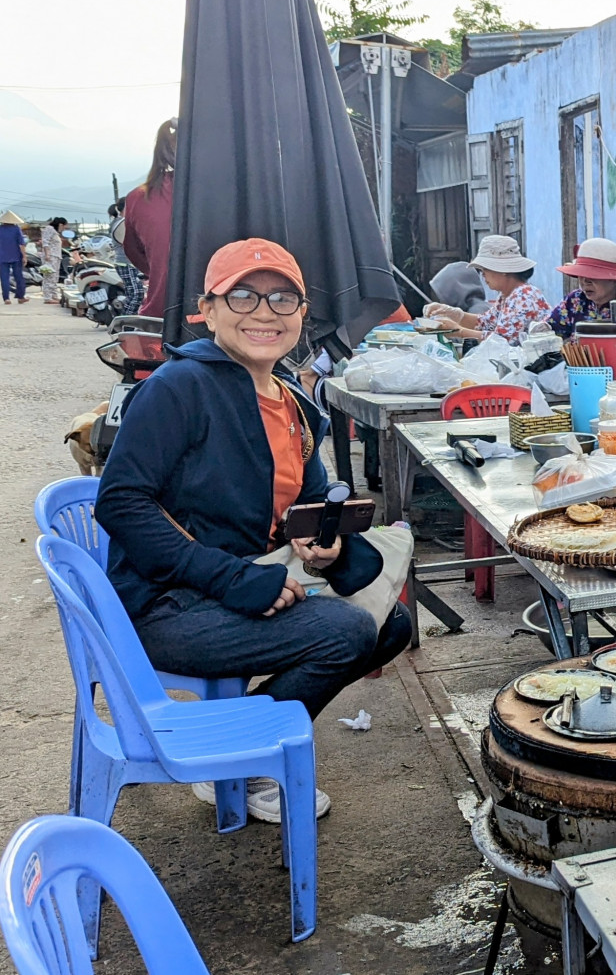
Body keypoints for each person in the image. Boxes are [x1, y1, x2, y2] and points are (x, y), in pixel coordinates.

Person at [96, 238, 412, 823]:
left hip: (246, 576)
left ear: (301, 314)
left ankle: (236, 749)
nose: (264, 312)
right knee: (343, 631)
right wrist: (231, 577)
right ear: (207, 310)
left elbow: (313, 499)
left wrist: (325, 543)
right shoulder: (178, 388)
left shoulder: (293, 402)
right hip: (164, 604)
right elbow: (120, 503)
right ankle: (236, 761)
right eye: (242, 295)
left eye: (282, 298)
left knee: (390, 624)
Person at [422, 234, 551, 343]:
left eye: (486, 269)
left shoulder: (524, 295)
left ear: (503, 269)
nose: (483, 275)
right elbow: (485, 323)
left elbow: (503, 341)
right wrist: (454, 314)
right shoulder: (506, 296)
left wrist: (459, 332)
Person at [120, 118, 176, 317]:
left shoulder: (139, 197)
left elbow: (135, 252)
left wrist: (161, 270)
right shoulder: (234, 192)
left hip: (160, 313)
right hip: (230, 317)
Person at [547, 237, 616, 338]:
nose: (585, 282)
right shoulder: (575, 300)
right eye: (581, 276)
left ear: (614, 279)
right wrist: (542, 329)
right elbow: (550, 330)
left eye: (592, 276)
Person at [0, 211, 27, 304]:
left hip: (2, 257)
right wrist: (24, 256)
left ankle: (6, 298)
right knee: (18, 276)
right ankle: (20, 297)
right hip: (16, 256)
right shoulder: (16, 229)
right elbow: (21, 244)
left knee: (4, 278)